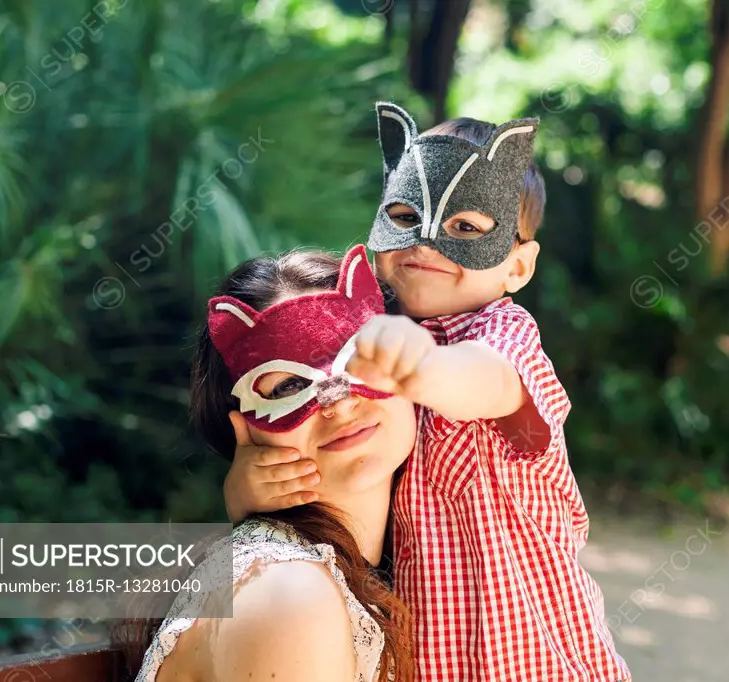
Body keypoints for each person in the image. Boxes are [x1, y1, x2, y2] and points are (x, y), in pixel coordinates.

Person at [225, 103, 631, 681]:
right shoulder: (378, 341)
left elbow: (482, 381)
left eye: (467, 226)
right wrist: (245, 493)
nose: (428, 239)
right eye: (404, 212)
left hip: (537, 660)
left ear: (517, 268)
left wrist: (420, 368)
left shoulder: (501, 337)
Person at [126, 244, 414, 682]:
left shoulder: (411, 559)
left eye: (360, 359)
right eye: (287, 388)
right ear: (245, 433)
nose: (338, 402)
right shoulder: (290, 590)